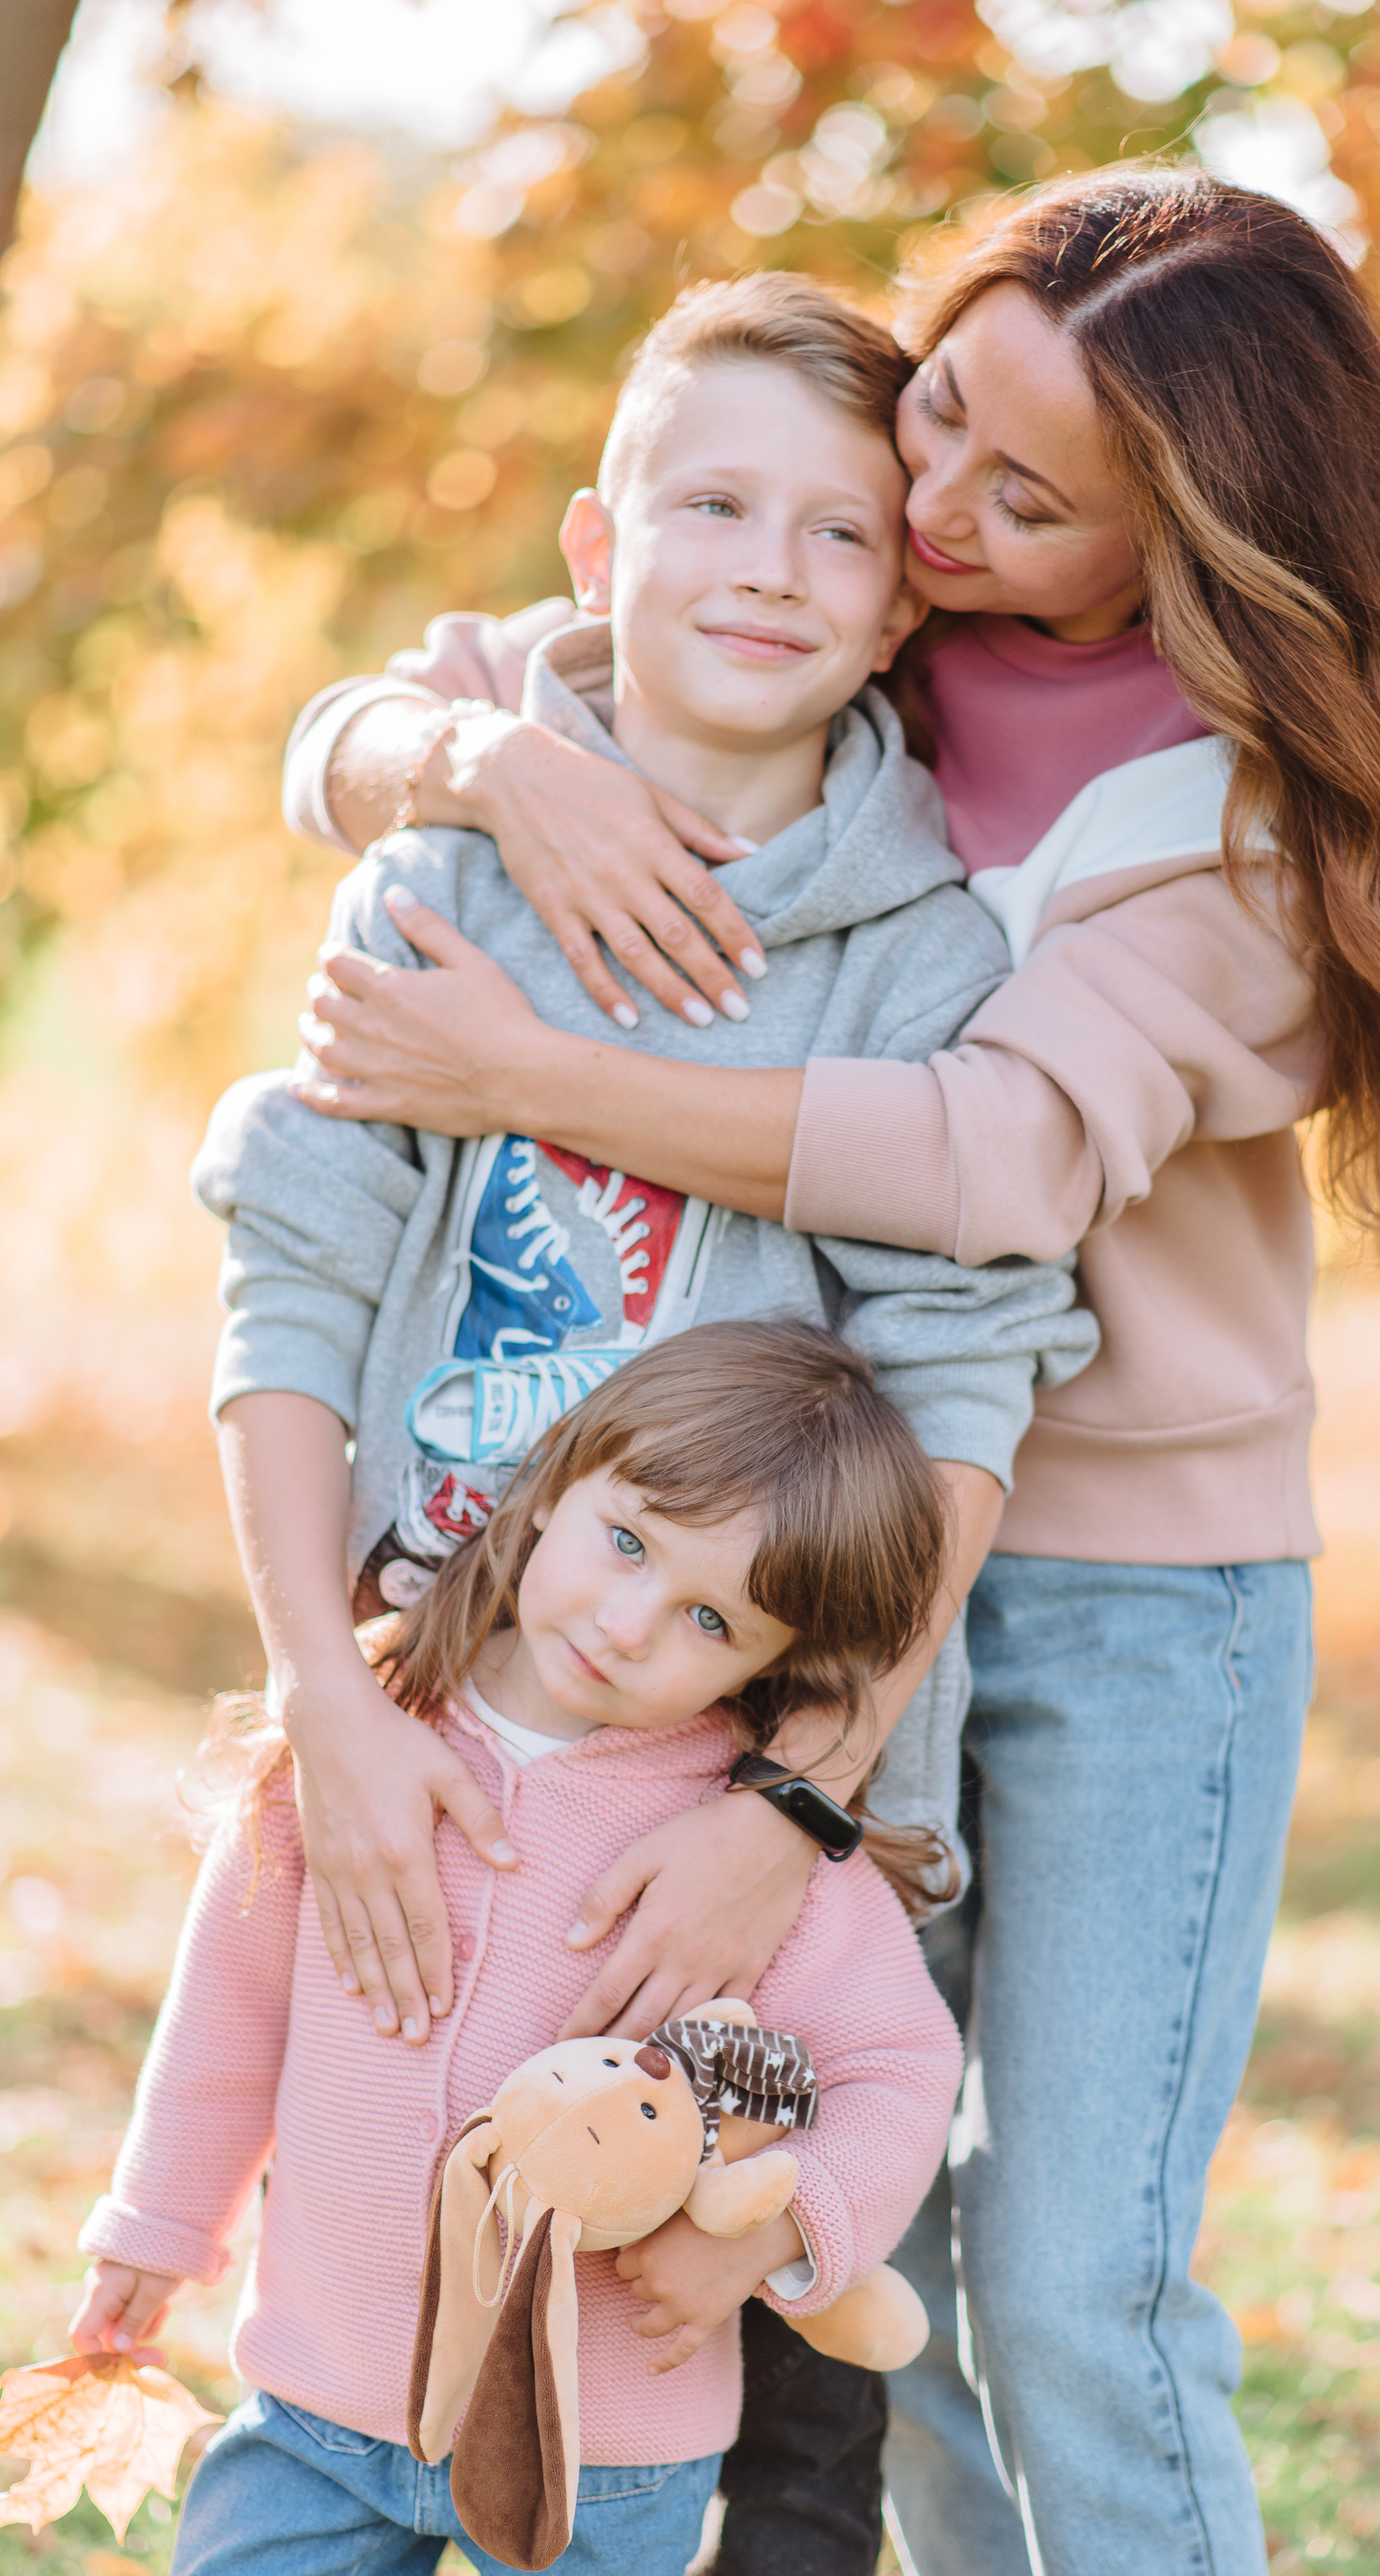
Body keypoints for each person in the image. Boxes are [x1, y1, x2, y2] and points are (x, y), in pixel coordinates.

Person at [284, 167, 1380, 2576]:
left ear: (1190, 538)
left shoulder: (1247, 818)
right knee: (879, 2262)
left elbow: (988, 1157)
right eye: (938, 417)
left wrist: (520, 1070)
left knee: (1067, 2272)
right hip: (780, 1563)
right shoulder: (845, 615)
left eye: (1024, 495)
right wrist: (484, 770)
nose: (935, 513)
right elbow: (383, 718)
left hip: (1113, 1597)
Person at [200, 267, 1093, 2576]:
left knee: (722, 2366)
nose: (770, 570)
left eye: (837, 534)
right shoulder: (453, 858)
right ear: (598, 552)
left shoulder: (923, 958)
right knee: (380, 2261)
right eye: (715, 506)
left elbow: (961, 1421)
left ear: (903, 604)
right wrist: (324, 1693)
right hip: (435, 1723)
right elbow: (288, 1300)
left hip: (744, 1782)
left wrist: (799, 1806)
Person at [72, 1324, 967, 2576]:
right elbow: (230, 2011)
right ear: (552, 1488)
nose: (631, 1621)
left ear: (782, 1660)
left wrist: (772, 2236)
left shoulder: (746, 1859)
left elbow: (901, 2066)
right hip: (316, 2406)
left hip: (609, 2455)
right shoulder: (362, 1752)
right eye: (627, 1542)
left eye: (711, 1616)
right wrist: (157, 2228)